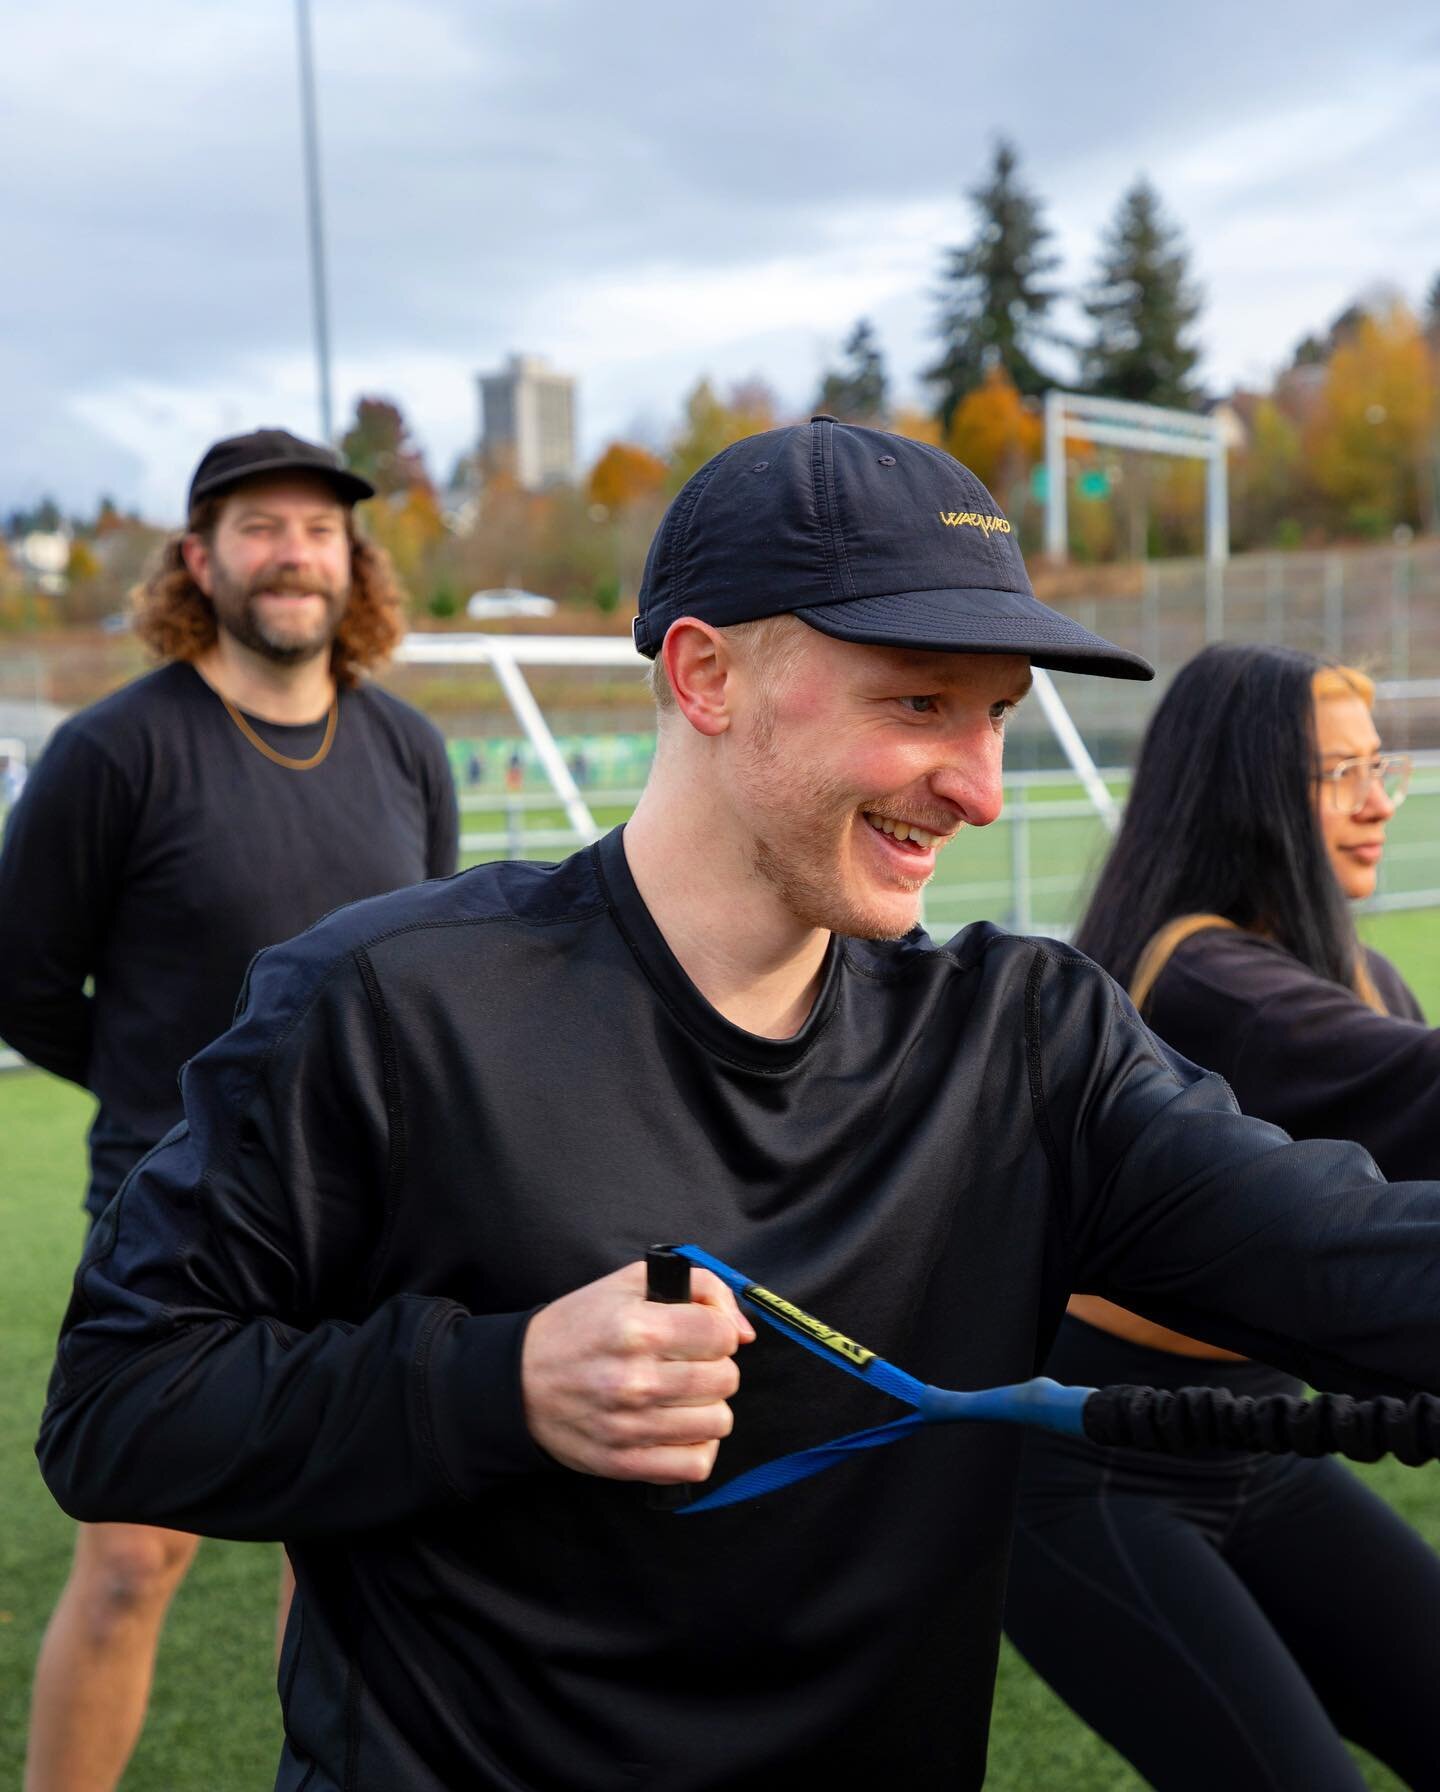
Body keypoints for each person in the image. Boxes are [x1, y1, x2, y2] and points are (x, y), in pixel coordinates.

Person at [30, 420, 1440, 1792]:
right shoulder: (387, 1006)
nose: (980, 789)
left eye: (999, 714)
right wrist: (500, 1382)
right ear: (706, 676)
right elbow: (118, 1404)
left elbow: (1344, 1251)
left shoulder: (1026, 1039)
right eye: (919, 703)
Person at [0, 427, 458, 1792]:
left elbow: (430, 974)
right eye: (260, 527)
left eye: (319, 528)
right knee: (135, 1561)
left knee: (337, 1561)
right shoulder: (113, 751)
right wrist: (178, 1101)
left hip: (371, 1206)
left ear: (351, 559)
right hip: (175, 1203)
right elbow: (22, 982)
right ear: (200, 558)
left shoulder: (407, 750)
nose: (294, 553)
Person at [1005, 642, 1440, 1792]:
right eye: (1333, 774)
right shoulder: (1203, 979)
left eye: (1377, 766)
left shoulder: (1361, 972)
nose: (1375, 800)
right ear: (1248, 790)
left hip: (1261, 1441)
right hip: (1098, 1471)